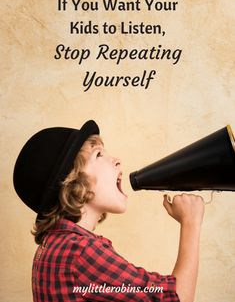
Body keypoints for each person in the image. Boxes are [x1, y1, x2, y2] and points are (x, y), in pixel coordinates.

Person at [13, 120, 204, 302]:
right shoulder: (80, 252)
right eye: (98, 155)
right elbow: (177, 297)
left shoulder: (53, 245)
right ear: (74, 184)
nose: (117, 160)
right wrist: (191, 222)